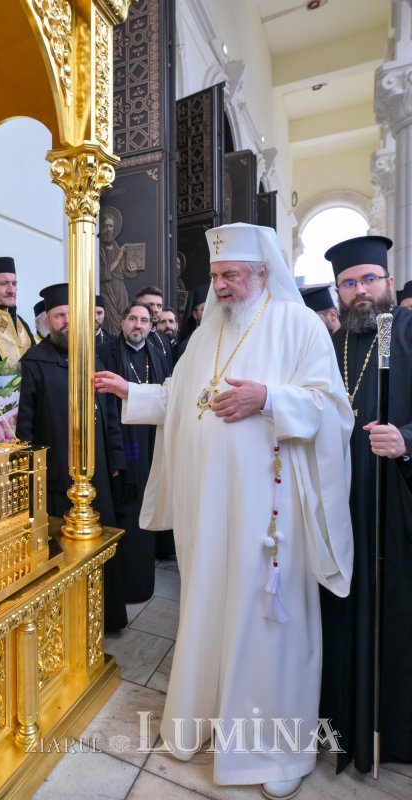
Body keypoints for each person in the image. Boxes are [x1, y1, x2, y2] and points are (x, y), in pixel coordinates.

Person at [95, 222, 353, 799]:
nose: (221, 287)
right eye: (215, 276)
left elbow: (332, 410)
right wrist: (131, 393)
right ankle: (205, 717)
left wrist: (267, 398)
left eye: (230, 275)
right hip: (210, 511)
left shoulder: (299, 325)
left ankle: (276, 748)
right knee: (209, 606)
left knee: (267, 624)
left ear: (261, 272)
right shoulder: (206, 331)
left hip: (271, 513)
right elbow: (185, 398)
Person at [320, 234, 412, 773]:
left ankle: (394, 732)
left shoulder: (404, 331)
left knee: (393, 613)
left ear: (387, 281)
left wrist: (406, 438)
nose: (359, 291)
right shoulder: (332, 345)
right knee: (340, 607)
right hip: (338, 503)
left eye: (368, 280)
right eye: (349, 283)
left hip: (393, 503)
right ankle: (342, 719)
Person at [17, 283, 128, 631]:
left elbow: (110, 414)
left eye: (70, 315)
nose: (66, 321)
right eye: (58, 315)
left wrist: (116, 459)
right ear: (48, 321)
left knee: (102, 545)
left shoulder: (94, 357)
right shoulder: (33, 362)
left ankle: (105, 620)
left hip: (96, 473)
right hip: (55, 477)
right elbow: (25, 428)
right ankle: (67, 627)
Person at [98, 301, 169, 602]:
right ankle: (122, 589)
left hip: (153, 445)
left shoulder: (159, 355)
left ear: (151, 327)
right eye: (132, 319)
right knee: (125, 516)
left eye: (143, 320)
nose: (137, 325)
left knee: (147, 511)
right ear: (122, 323)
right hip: (123, 447)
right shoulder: (107, 354)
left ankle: (143, 585)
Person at [99, 207, 145, 335]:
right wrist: (119, 258)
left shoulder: (115, 245)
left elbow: (123, 271)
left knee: (122, 321)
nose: (108, 229)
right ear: (101, 227)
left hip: (120, 291)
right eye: (106, 226)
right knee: (110, 323)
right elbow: (102, 273)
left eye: (111, 226)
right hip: (107, 292)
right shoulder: (97, 247)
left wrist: (131, 269)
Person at [176, 282, 208, 360]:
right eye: (204, 309)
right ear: (195, 314)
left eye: (211, 308)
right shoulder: (186, 346)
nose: (208, 312)